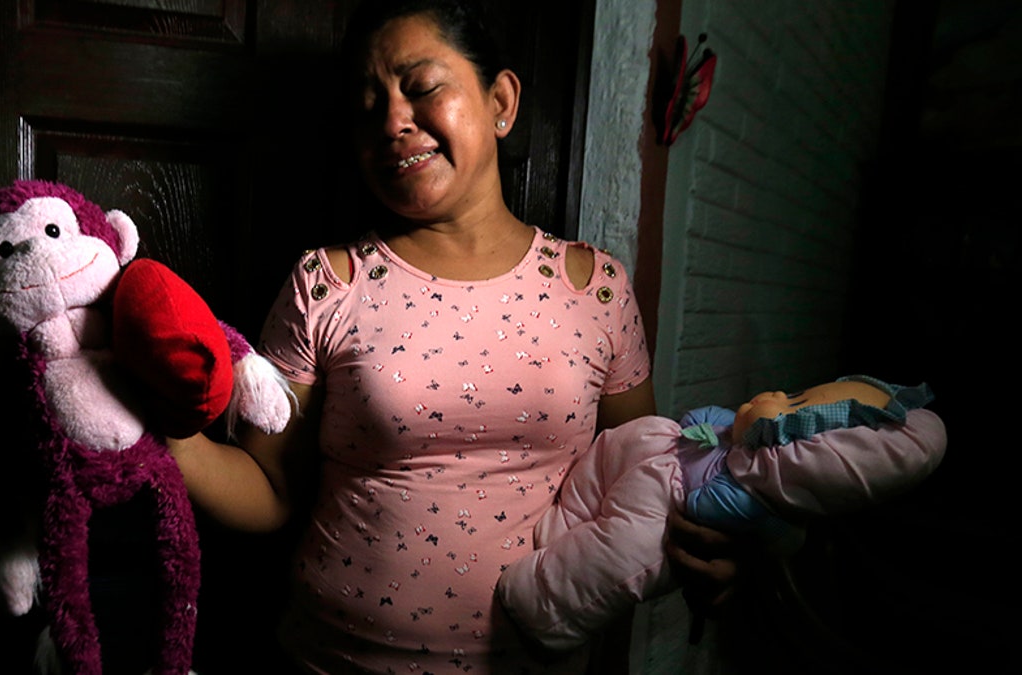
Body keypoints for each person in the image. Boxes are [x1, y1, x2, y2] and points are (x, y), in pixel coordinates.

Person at [168, 1, 731, 671]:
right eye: (368, 105)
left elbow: (641, 480)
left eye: (421, 86)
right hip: (332, 658)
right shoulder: (327, 283)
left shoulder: (596, 290)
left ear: (500, 101)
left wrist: (710, 553)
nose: (392, 121)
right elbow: (267, 487)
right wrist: (154, 431)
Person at [494, 376, 946, 651]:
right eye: (795, 393)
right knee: (633, 443)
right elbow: (699, 419)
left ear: (792, 450)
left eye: (791, 405)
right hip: (647, 460)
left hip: (658, 504)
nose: (776, 393)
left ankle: (542, 603)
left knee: (628, 552)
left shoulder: (755, 488)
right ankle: (564, 524)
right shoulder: (733, 433)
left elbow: (702, 505)